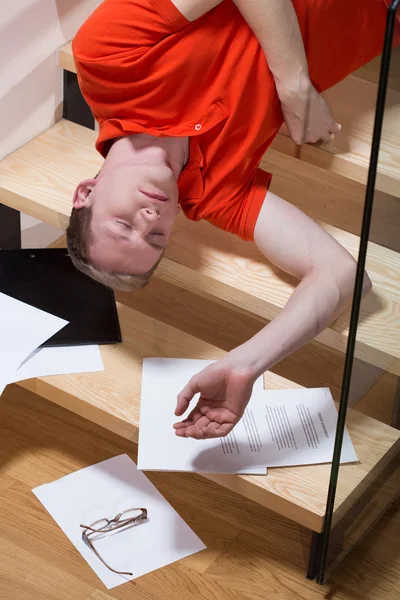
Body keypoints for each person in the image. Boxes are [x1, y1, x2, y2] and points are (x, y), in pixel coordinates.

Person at [68, 0, 392, 440]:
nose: (149, 218)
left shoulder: (108, 59)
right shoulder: (216, 194)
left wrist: (295, 85)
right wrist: (246, 363)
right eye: (157, 236)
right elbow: (341, 274)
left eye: (123, 225)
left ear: (86, 192)